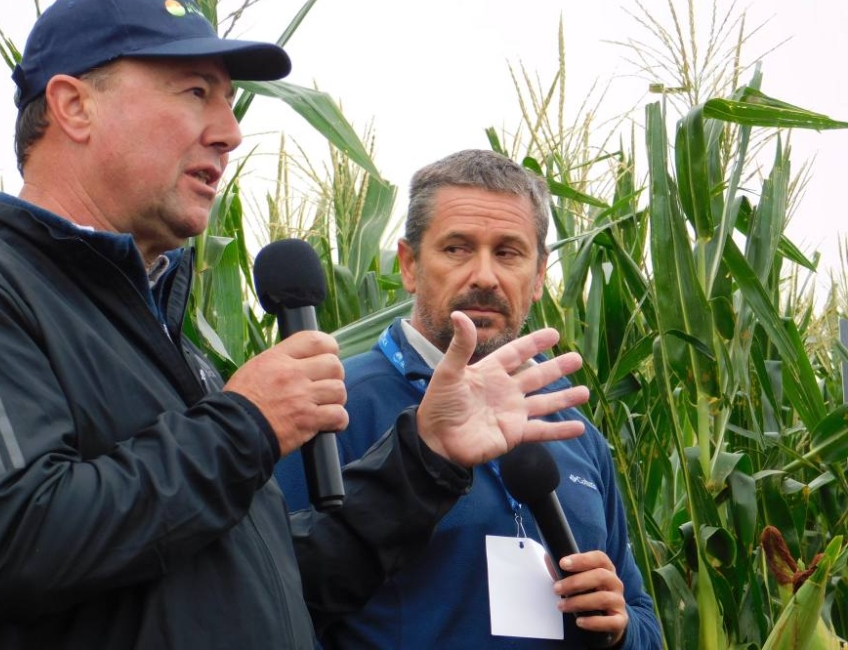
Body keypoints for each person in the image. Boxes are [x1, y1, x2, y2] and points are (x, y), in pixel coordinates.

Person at [0, 0, 591, 649]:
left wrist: (425, 459)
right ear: (73, 105)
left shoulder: (155, 335)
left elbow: (272, 586)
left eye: (231, 104)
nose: (230, 132)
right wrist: (245, 423)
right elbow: (14, 542)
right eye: (195, 93)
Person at [276, 149, 663, 649]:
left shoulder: (574, 432)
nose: (484, 276)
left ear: (540, 274)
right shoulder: (328, 408)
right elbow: (266, 601)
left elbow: (645, 621)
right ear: (410, 265)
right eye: (457, 249)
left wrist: (622, 630)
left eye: (508, 252)